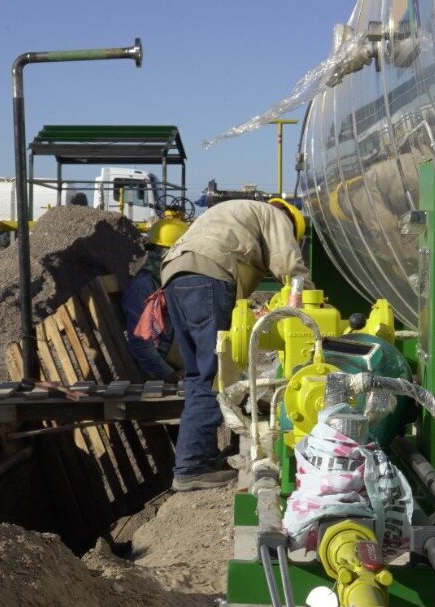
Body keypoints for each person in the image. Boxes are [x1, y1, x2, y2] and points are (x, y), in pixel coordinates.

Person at [160, 197, 310, 491]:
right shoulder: (275, 216)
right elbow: (289, 266)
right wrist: (312, 308)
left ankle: (197, 457)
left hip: (175, 274)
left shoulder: (238, 212)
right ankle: (191, 468)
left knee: (197, 374)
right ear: (291, 222)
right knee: (214, 373)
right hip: (210, 274)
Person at [122, 214, 187, 382]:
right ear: (167, 253)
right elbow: (140, 343)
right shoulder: (144, 287)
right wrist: (168, 374)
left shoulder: (164, 281)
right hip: (166, 367)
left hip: (178, 360)